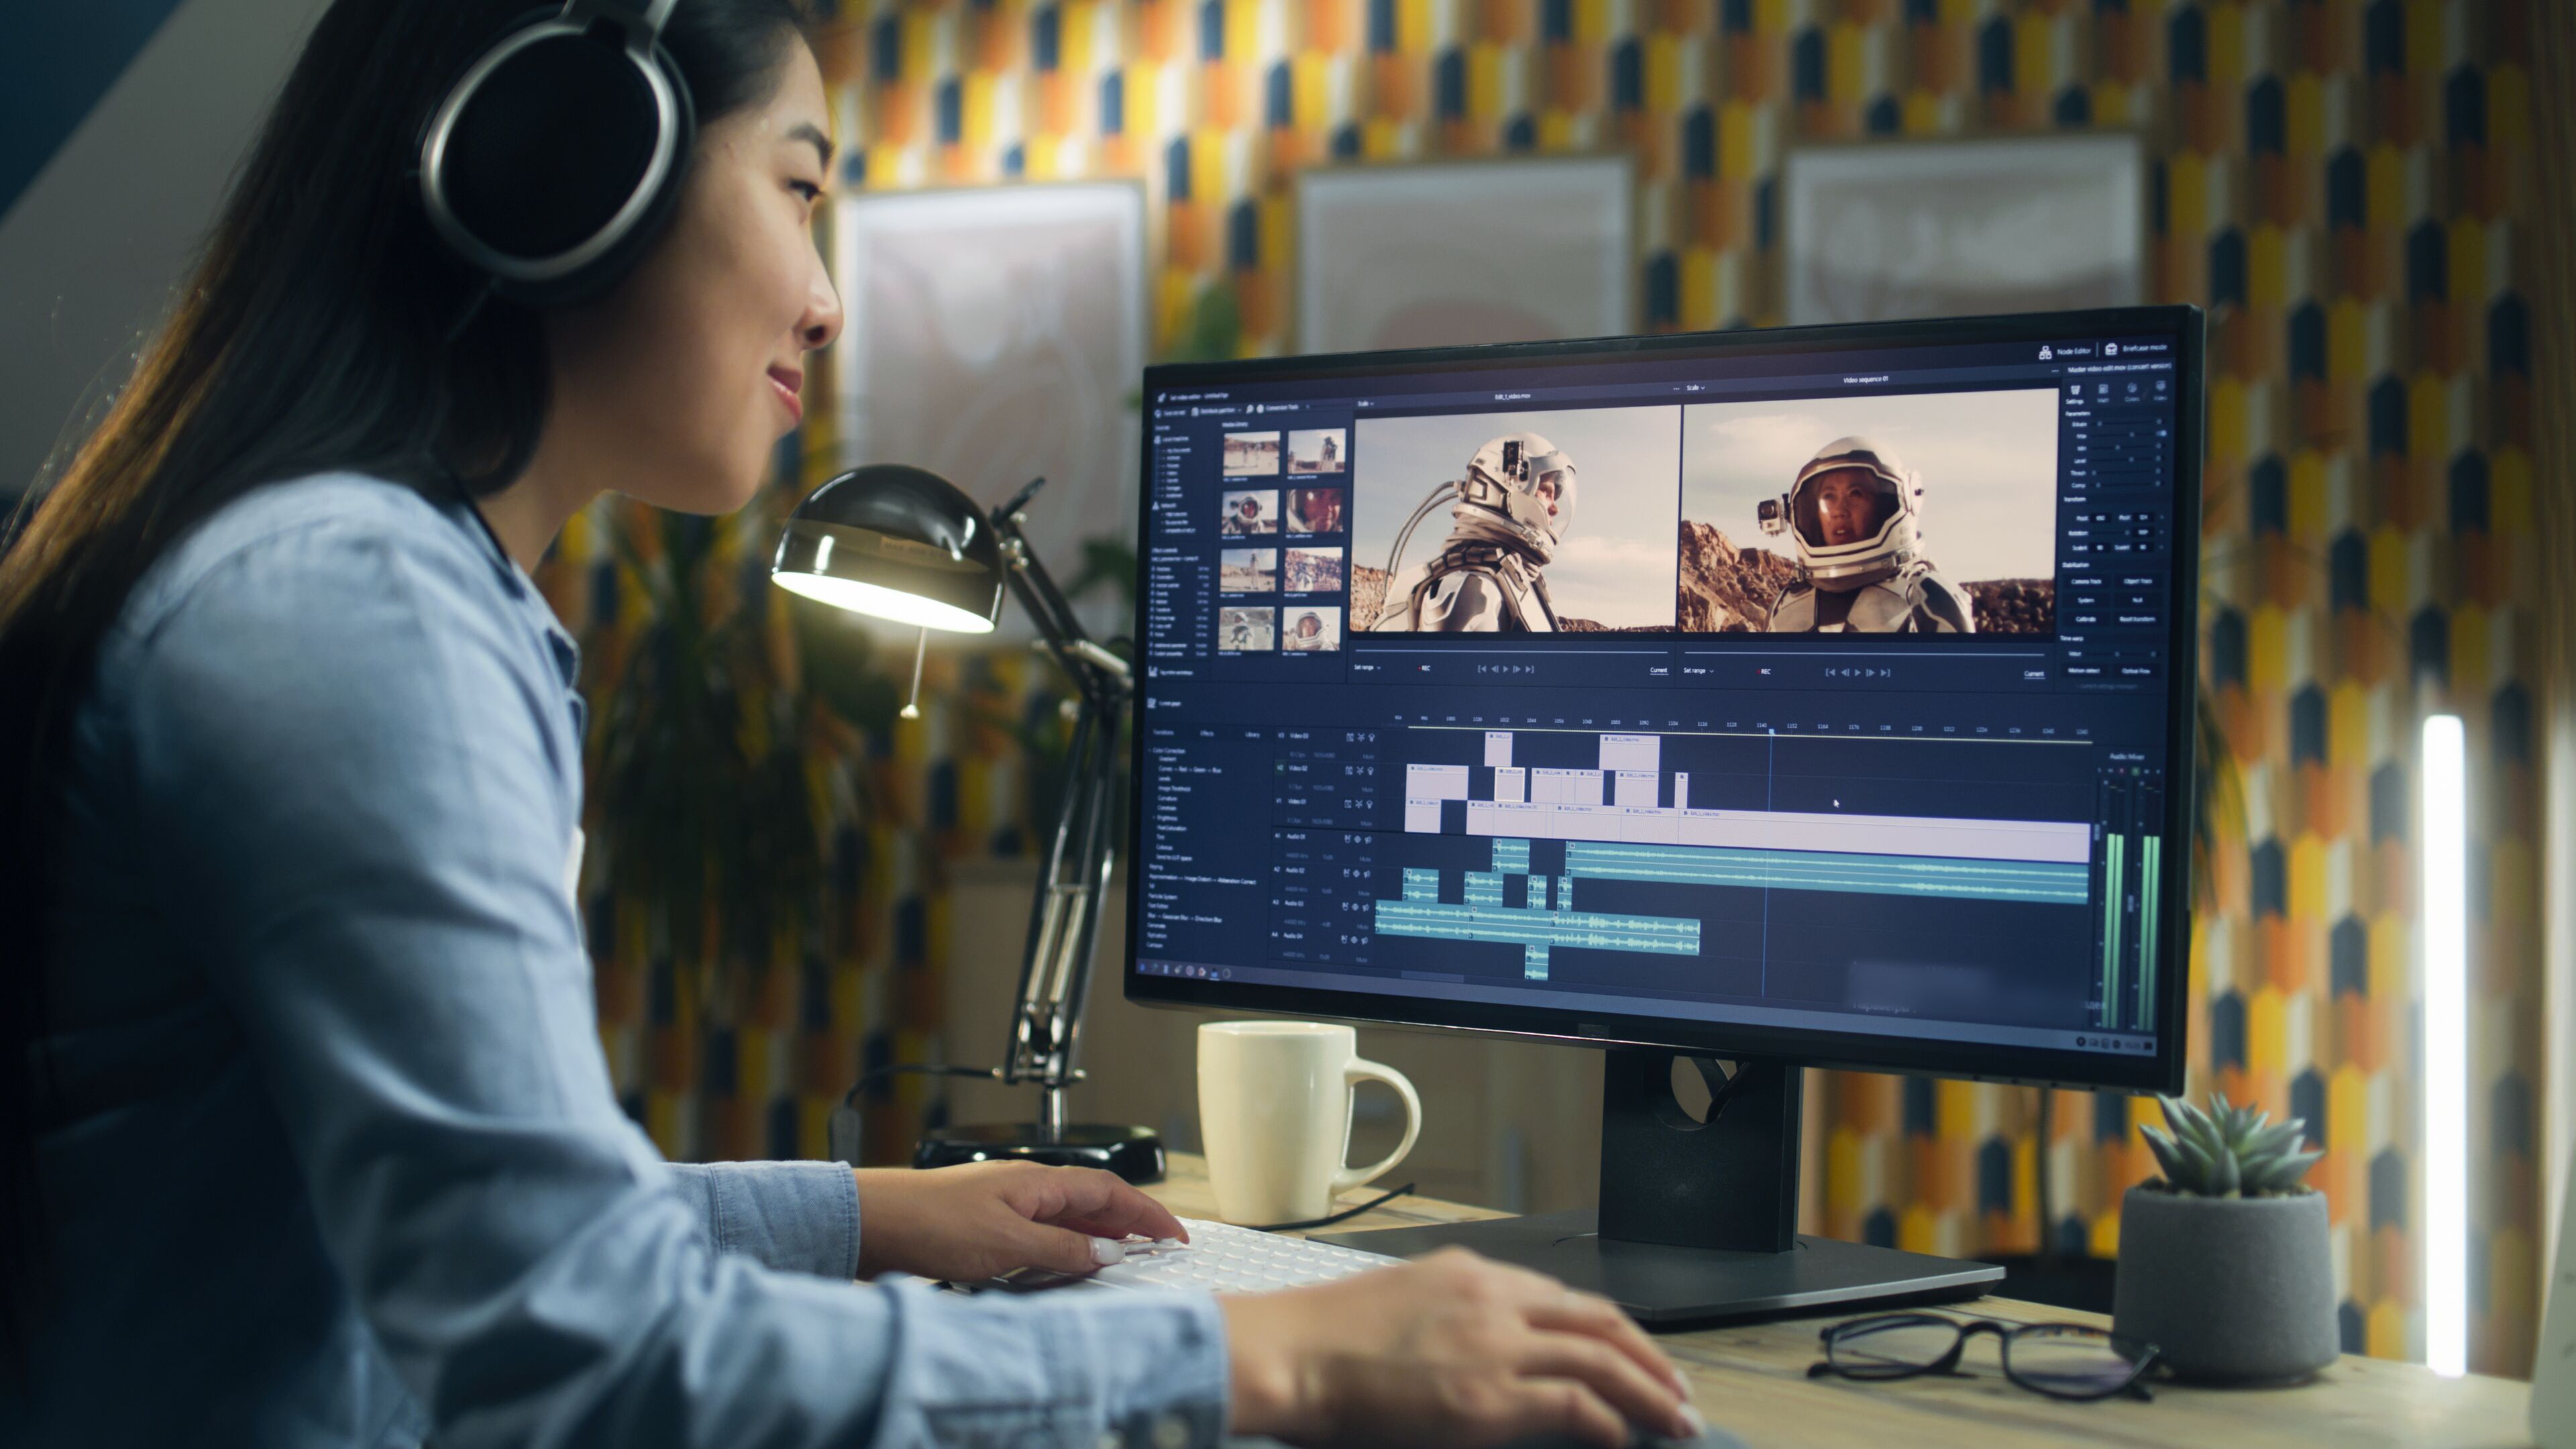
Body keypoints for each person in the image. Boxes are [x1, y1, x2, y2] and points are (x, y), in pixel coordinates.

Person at [0, 3, 1694, 1446]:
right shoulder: (349, 606)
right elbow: (571, 1339)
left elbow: (459, 1231)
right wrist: (1272, 1349)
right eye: (800, 190)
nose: (824, 300)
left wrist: (865, 1211)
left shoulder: (376, 580)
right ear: (580, 168)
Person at [1758, 435, 1974, 634]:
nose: (1838, 511)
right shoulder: (1785, 608)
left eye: (1856, 494)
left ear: (1883, 505)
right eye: (1829, 496)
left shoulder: (1929, 601)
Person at [1367, 432, 1574, 633]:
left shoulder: (1514, 580)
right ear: (1510, 484)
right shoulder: (1473, 589)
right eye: (1547, 492)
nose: (1555, 508)